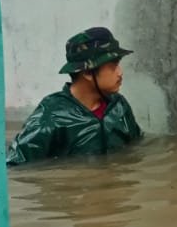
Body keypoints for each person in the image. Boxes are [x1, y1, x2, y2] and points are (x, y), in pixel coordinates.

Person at [7, 27, 142, 165]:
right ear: (88, 72)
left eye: (118, 64)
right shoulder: (51, 115)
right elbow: (16, 166)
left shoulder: (119, 106)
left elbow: (137, 148)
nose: (120, 72)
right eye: (113, 66)